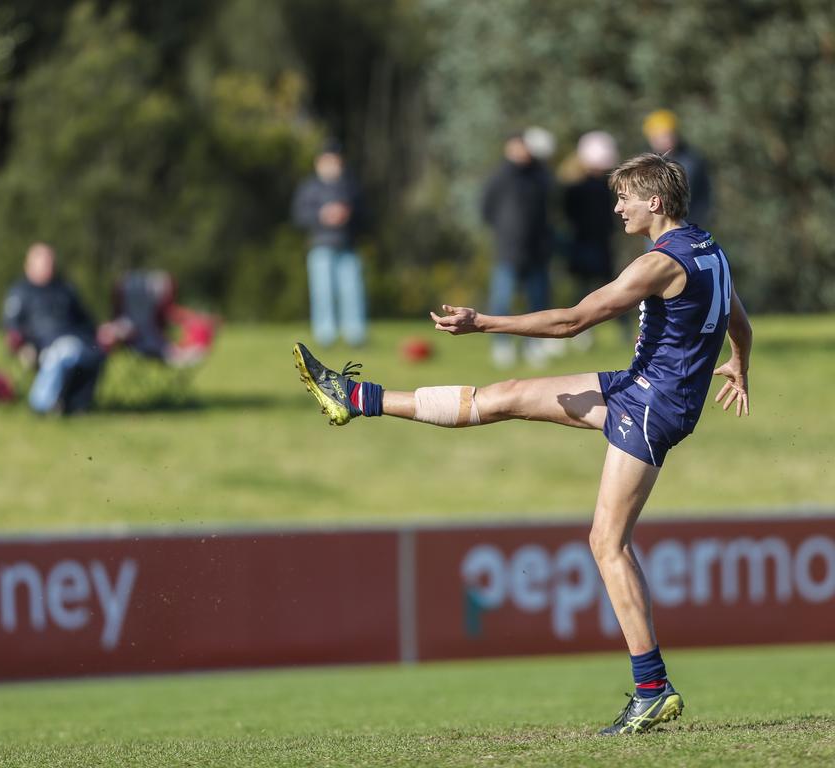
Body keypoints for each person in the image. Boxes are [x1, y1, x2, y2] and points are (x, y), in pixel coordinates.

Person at [293, 153, 752, 735]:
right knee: (505, 395)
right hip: (640, 389)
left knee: (607, 543)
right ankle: (356, 398)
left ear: (654, 204)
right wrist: (738, 362)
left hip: (653, 408)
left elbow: (571, 323)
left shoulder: (657, 265)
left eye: (624, 199)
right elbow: (739, 317)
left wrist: (483, 323)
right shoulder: (708, 247)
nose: (615, 208)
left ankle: (652, 689)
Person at [3, 243, 104, 415]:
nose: (48, 267)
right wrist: (20, 345)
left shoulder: (65, 289)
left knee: (94, 353)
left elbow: (86, 320)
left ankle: (75, 405)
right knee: (64, 350)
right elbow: (12, 326)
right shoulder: (20, 292)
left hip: (77, 341)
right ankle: (41, 404)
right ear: (29, 266)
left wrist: (101, 333)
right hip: (43, 344)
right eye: (43, 263)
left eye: (50, 262)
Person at [480, 131, 554, 367]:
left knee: (538, 302)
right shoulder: (499, 177)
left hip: (537, 251)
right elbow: (485, 209)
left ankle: (535, 345)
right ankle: (501, 345)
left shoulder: (541, 176)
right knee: (502, 300)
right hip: (508, 250)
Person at [291, 139, 367, 347]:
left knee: (352, 292)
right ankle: (325, 335)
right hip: (321, 246)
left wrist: (347, 215)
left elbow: (365, 215)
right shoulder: (309, 187)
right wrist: (322, 216)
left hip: (347, 246)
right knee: (323, 293)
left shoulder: (350, 186)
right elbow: (299, 216)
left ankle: (355, 334)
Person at [562, 131, 624, 349]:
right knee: (584, 289)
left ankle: (624, 332)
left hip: (601, 242)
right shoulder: (575, 187)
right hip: (583, 243)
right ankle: (582, 333)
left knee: (614, 289)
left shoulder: (608, 186)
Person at [642, 109, 712, 228]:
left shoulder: (691, 161)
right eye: (659, 136)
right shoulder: (646, 162)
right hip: (656, 226)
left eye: (668, 135)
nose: (665, 140)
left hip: (687, 224)